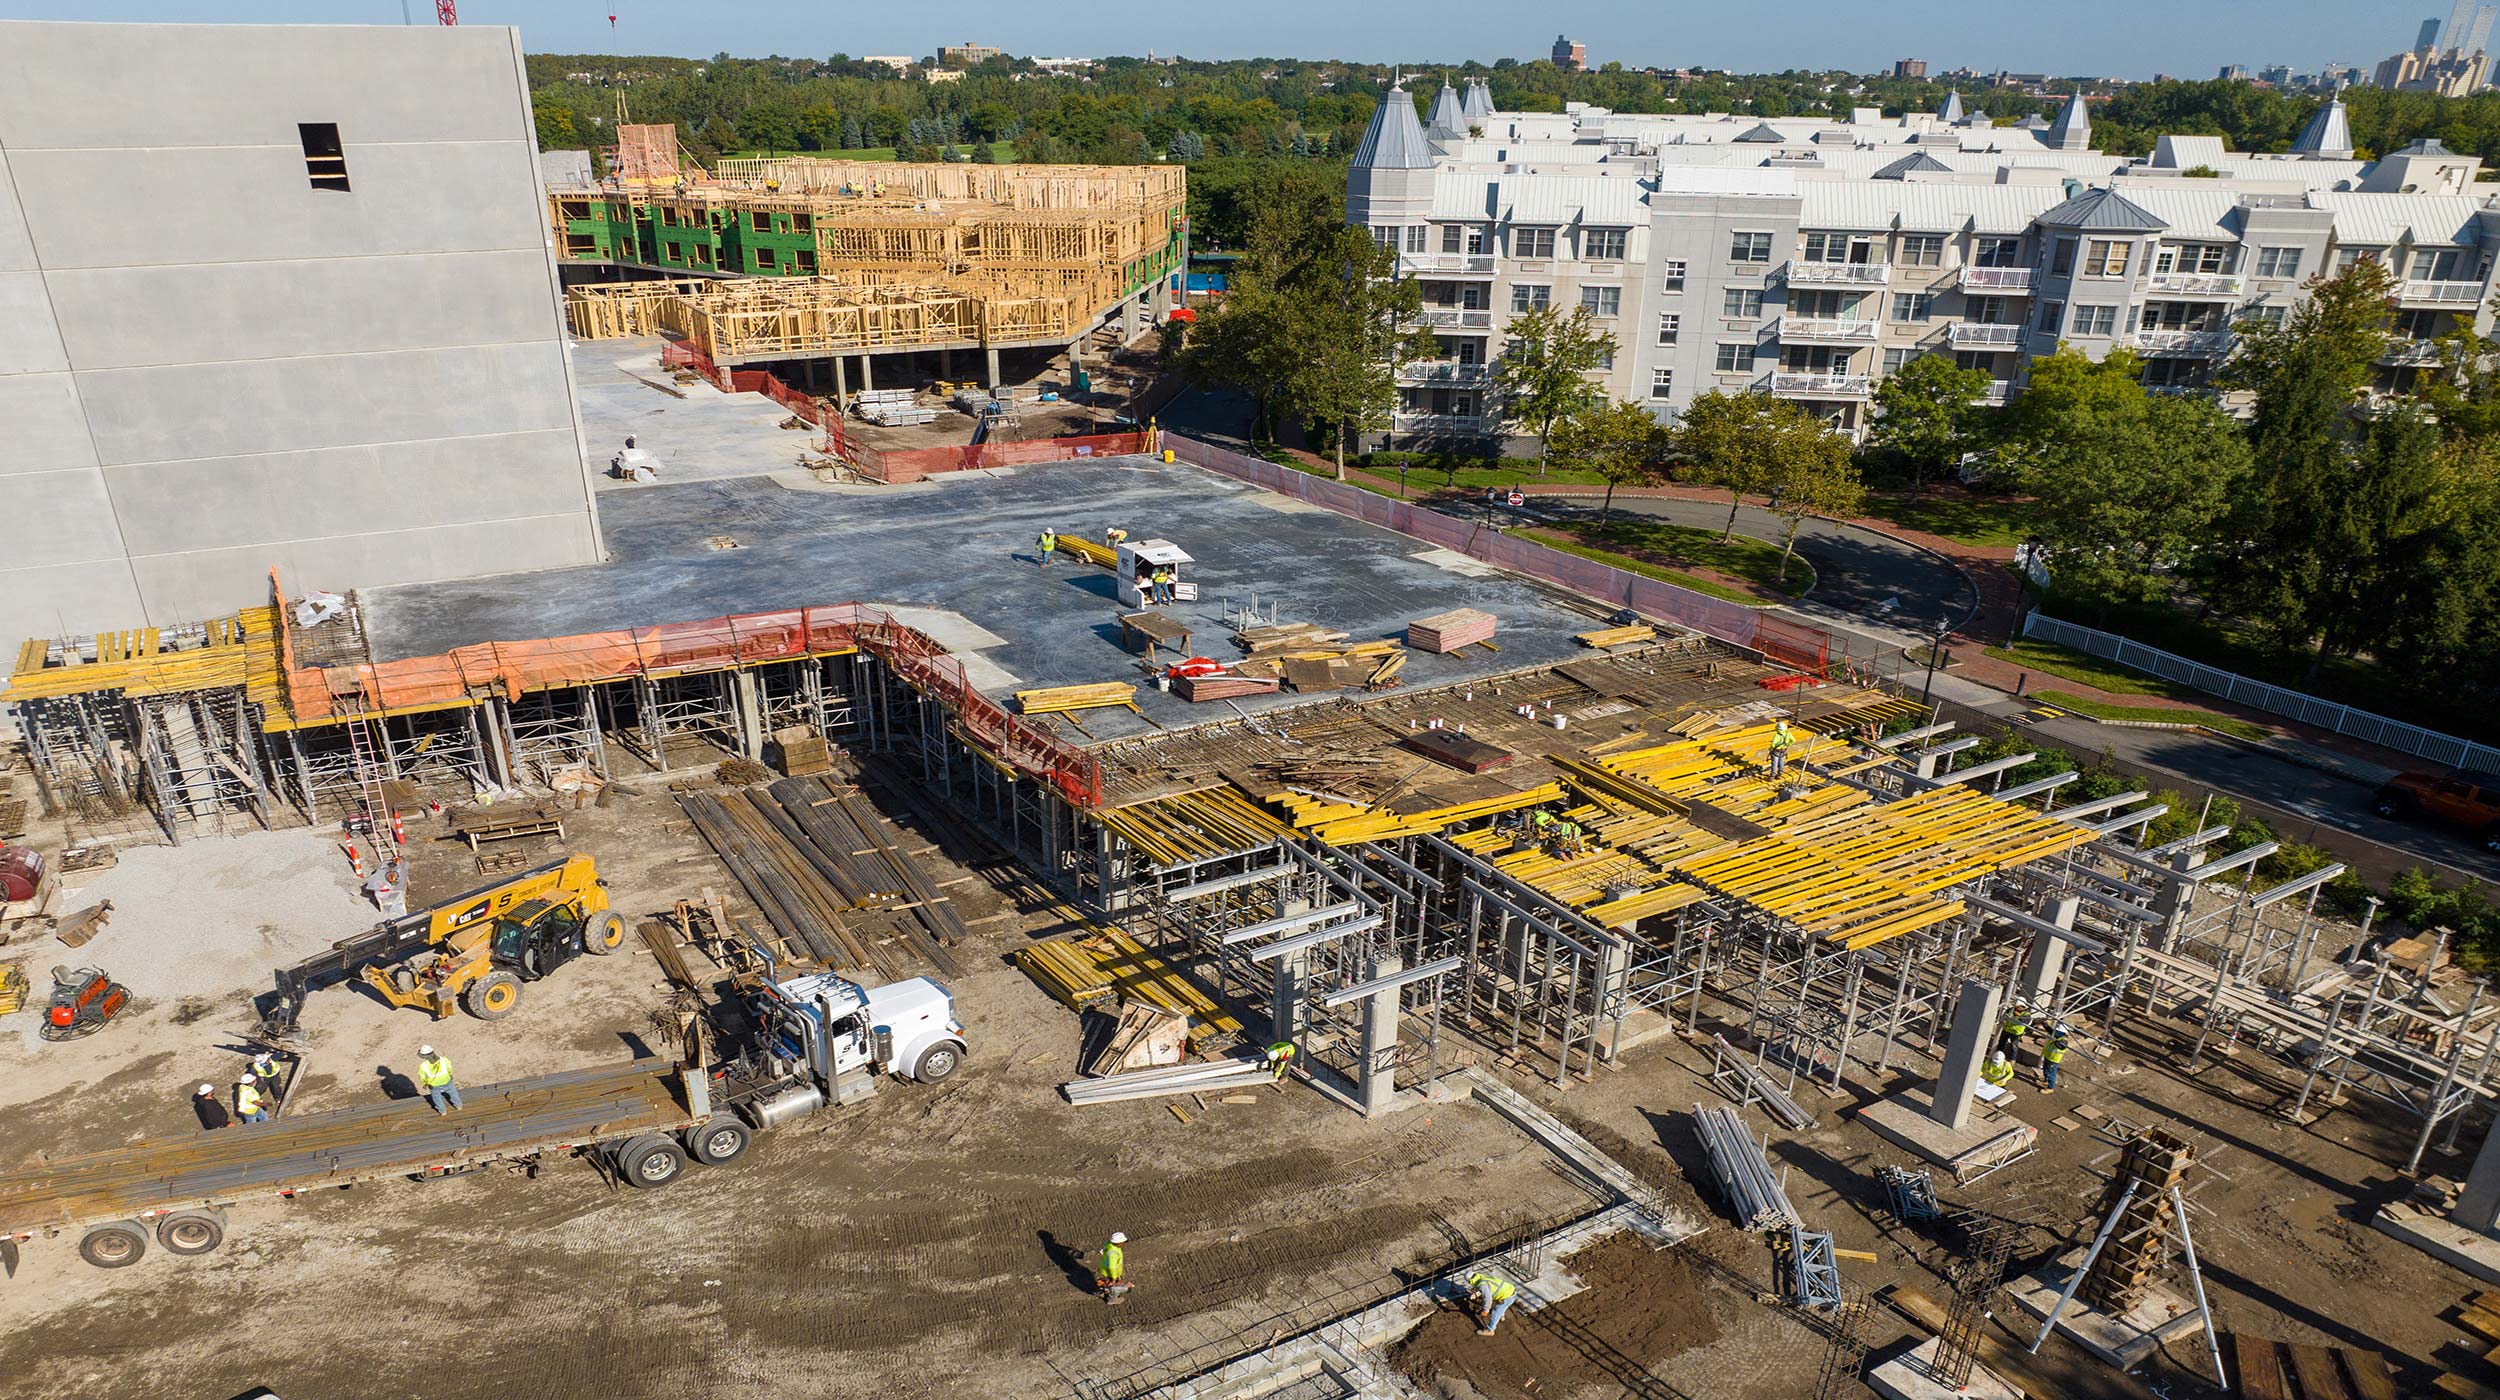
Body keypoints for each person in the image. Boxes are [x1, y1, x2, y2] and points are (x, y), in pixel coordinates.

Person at [1467, 1271, 1518, 1336]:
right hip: (1511, 1292)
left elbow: (1488, 1299)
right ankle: (1501, 1316)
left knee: (1495, 1312)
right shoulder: (1484, 1278)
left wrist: (1485, 1311)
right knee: (1502, 1307)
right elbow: (1489, 1288)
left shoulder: (1482, 1285)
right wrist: (1477, 1294)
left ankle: (1490, 1330)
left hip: (1506, 1298)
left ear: (1470, 1281)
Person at [417, 1044, 463, 1115]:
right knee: (453, 1092)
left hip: (434, 1085)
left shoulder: (423, 1066)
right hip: (446, 1080)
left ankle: (442, 1111)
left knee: (437, 1098)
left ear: (424, 1056)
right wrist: (450, 1075)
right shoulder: (444, 1060)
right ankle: (458, 1106)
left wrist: (424, 1084)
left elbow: (422, 1076)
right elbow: (449, 1068)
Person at [1095, 1231, 1129, 1301]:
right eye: (1123, 1242)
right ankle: (1112, 1299)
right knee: (1114, 1287)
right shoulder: (1113, 1254)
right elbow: (1112, 1267)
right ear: (1118, 1243)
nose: (1124, 1243)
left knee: (1107, 1282)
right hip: (1110, 1272)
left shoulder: (1109, 1244)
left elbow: (1103, 1250)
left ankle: (1103, 1291)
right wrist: (1114, 1278)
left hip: (1105, 1268)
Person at [2042, 1026, 2069, 1092]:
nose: (2055, 1032)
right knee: (2045, 1070)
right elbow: (2050, 1030)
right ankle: (2046, 1081)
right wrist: (2044, 1024)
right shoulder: (2057, 1036)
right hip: (2048, 1057)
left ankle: (2050, 1088)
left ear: (2062, 1033)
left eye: (2057, 1031)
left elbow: (2061, 1046)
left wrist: (2055, 1041)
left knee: (2050, 1074)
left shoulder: (2063, 1041)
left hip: (2053, 1060)